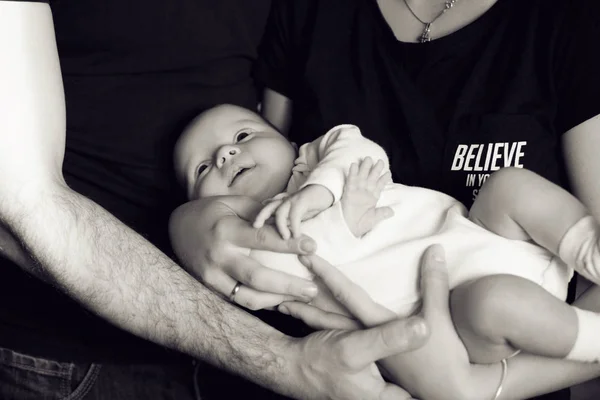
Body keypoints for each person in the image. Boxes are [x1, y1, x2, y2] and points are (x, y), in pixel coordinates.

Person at [0, 1, 447, 399]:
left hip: (251, 341)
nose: (226, 153)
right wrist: (283, 361)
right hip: (79, 356)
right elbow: (24, 202)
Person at [171, 103, 600, 399]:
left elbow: (355, 144)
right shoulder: (250, 234)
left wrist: (322, 190)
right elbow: (291, 262)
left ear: (286, 141)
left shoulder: (317, 161)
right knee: (497, 301)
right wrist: (342, 222)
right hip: (455, 318)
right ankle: (590, 337)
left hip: (488, 233)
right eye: (203, 167)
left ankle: (588, 247)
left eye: (243, 134)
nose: (227, 152)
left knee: (508, 184)